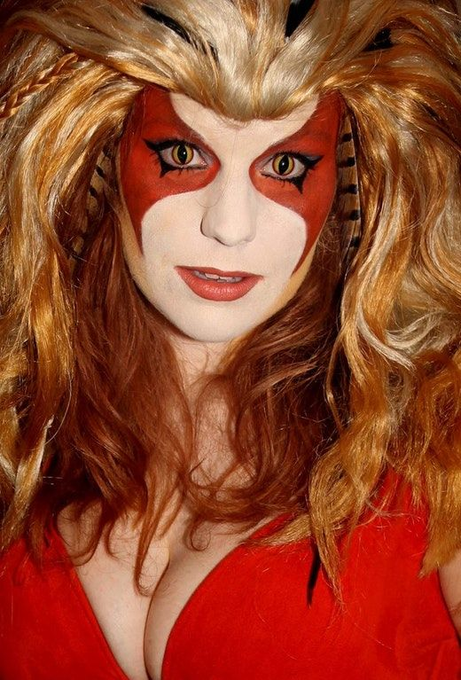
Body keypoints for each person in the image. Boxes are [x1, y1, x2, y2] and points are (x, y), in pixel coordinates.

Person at [0, 0, 460, 678]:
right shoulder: (19, 431)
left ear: (346, 179)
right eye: (183, 155)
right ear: (101, 153)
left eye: (286, 166)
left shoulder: (437, 434)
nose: (230, 225)